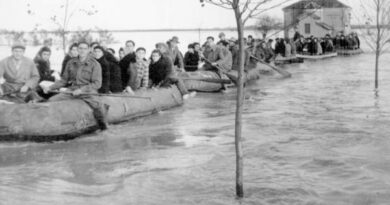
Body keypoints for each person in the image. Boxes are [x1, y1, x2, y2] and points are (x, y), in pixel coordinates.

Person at [42, 42, 109, 130]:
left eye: (85, 48)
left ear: (89, 50)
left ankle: (104, 127)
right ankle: (52, 125)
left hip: (88, 91)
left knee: (98, 107)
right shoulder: (71, 62)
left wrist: (82, 90)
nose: (82, 51)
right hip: (72, 90)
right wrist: (50, 87)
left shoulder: (95, 64)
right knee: (51, 100)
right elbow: (63, 81)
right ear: (77, 49)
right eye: (80, 48)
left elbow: (97, 83)